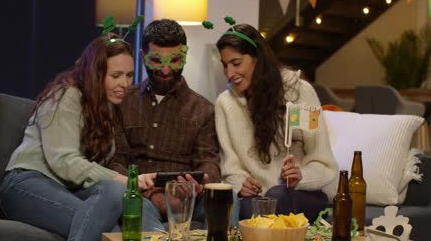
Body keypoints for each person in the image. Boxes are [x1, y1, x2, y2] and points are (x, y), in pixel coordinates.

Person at [0, 33, 156, 241]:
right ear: (95, 73)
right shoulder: (67, 95)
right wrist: (124, 180)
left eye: (129, 75)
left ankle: (161, 236)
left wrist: (130, 183)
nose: (125, 83)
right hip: (26, 184)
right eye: (116, 75)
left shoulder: (107, 106)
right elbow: (65, 162)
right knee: (113, 231)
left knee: (132, 200)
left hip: (69, 189)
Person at [107, 19, 225, 231]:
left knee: (226, 197)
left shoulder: (203, 109)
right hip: (142, 196)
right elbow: (116, 161)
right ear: (143, 57)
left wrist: (200, 183)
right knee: (138, 207)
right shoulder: (123, 102)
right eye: (156, 60)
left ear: (185, 57)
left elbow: (208, 161)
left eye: (175, 60)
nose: (165, 70)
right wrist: (147, 191)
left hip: (189, 198)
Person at [214, 23, 338, 222]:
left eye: (236, 63)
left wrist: (300, 177)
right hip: (256, 199)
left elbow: (323, 163)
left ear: (257, 58)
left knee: (276, 198)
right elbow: (230, 168)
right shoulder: (224, 104)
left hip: (301, 194)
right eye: (224, 65)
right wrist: (242, 185)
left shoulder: (300, 92)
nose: (229, 74)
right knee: (244, 206)